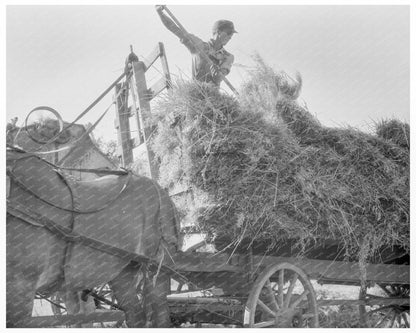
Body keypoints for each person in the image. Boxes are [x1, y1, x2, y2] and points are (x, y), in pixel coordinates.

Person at [155, 5, 237, 87]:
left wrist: (217, 74)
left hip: (213, 96)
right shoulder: (198, 45)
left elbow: (219, 78)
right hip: (196, 93)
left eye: (232, 34)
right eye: (229, 33)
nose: (230, 37)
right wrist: (160, 13)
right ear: (218, 32)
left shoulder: (228, 57)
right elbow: (176, 30)